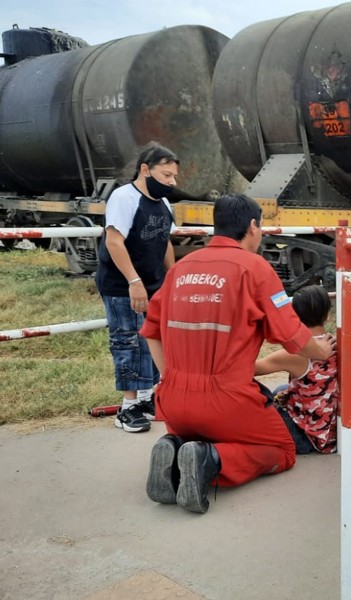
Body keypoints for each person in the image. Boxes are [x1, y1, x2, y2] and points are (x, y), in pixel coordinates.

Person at [140, 194, 336, 514]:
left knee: (200, 432)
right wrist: (320, 350)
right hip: (226, 401)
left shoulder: (181, 269)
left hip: (174, 403)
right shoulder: (254, 268)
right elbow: (293, 337)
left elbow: (150, 332)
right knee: (282, 449)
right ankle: (211, 459)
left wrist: (169, 377)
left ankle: (175, 448)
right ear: (253, 226)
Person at [95, 143, 179, 434]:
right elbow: (114, 241)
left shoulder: (163, 203)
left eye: (173, 177)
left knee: (152, 339)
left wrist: (171, 278)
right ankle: (127, 407)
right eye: (166, 175)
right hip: (122, 285)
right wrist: (134, 282)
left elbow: (165, 240)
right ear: (146, 169)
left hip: (153, 284)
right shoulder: (124, 197)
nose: (172, 182)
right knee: (126, 339)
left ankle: (146, 398)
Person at [255, 285, 339, 455]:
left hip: (305, 436)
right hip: (328, 431)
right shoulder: (333, 342)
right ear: (327, 316)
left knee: (258, 400)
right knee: (281, 390)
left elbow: (250, 370)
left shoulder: (296, 353)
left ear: (294, 317)